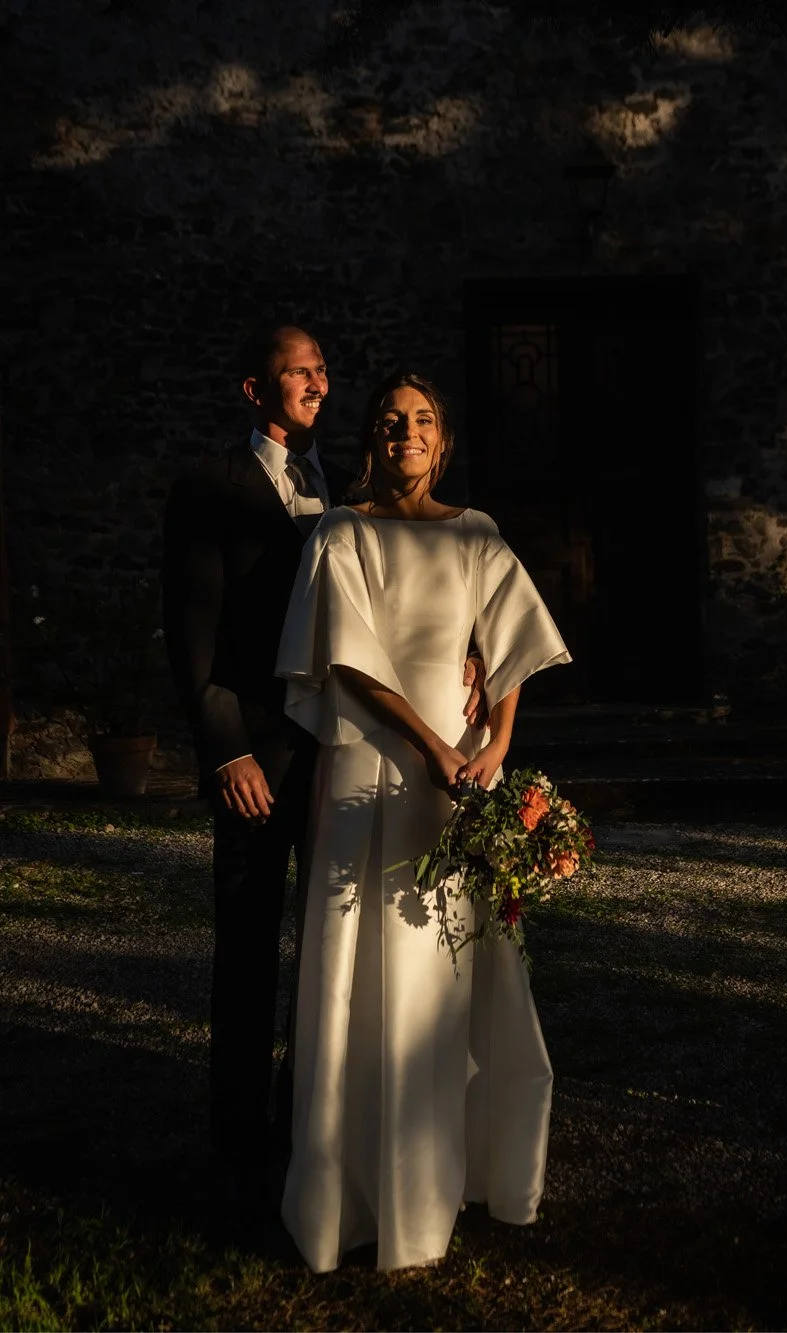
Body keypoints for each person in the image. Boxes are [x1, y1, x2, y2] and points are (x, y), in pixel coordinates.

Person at [162, 325, 489, 1236]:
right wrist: (224, 749)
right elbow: (193, 633)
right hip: (261, 759)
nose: (316, 380)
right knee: (248, 951)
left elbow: (401, 592)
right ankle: (239, 1148)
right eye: (295, 371)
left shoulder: (342, 493)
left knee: (335, 948)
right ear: (255, 391)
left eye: (319, 369)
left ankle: (311, 1122)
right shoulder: (209, 488)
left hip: (345, 755)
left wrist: (465, 645)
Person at [274, 370, 571, 1272]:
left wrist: (497, 743)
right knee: (362, 972)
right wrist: (432, 746)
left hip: (459, 772)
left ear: (442, 442)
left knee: (455, 976)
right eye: (392, 420)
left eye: (424, 420)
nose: (406, 431)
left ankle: (462, 1171)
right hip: (373, 765)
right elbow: (351, 660)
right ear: (374, 438)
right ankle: (354, 1195)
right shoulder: (342, 531)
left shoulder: (477, 536)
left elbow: (509, 643)